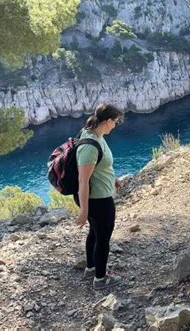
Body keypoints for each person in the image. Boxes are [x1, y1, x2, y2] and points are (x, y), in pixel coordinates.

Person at [74, 103, 124, 290]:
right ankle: (100, 279)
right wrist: (84, 211)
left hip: (98, 196)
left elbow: (101, 165)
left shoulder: (96, 134)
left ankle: (91, 269)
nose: (115, 125)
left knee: (95, 233)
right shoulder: (90, 146)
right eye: (115, 122)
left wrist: (113, 178)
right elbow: (83, 181)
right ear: (108, 120)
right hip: (97, 200)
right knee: (103, 238)